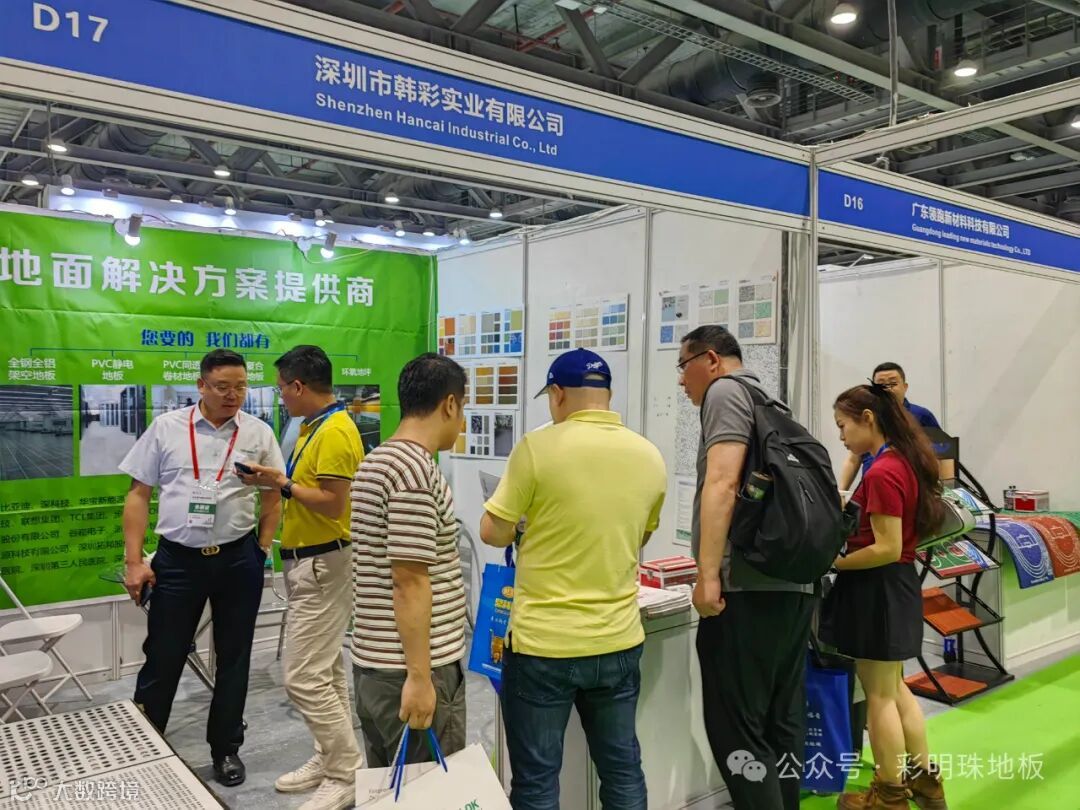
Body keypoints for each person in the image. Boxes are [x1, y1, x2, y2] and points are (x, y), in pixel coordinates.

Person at [480, 348, 667, 810]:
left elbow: (491, 531)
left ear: (558, 394)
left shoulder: (537, 448)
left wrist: (527, 523)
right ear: (607, 396)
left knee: (537, 780)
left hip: (544, 645)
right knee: (622, 769)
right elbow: (641, 533)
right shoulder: (649, 455)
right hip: (618, 640)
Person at [120, 349, 283, 787]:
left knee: (235, 657)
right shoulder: (166, 428)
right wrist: (134, 562)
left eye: (241, 387)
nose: (233, 395)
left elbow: (273, 495)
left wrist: (260, 549)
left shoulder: (258, 433)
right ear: (201, 385)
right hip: (178, 561)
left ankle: (225, 748)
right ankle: (145, 746)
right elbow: (138, 495)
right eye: (223, 387)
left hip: (237, 559)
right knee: (163, 655)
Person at [677, 326, 815, 810]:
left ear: (711, 360)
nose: (681, 381)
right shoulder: (772, 403)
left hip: (746, 589)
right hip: (792, 585)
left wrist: (708, 575)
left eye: (684, 366)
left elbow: (722, 482)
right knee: (782, 720)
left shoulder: (724, 393)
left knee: (737, 729)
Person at [240, 345, 363, 810]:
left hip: (324, 563)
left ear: (297, 385)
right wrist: (278, 479)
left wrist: (283, 484)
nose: (281, 398)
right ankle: (331, 757)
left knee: (303, 677)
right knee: (325, 670)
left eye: (281, 390)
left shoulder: (335, 432)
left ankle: (345, 772)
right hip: (309, 562)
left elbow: (333, 503)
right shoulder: (316, 426)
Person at [821, 384, 947, 810]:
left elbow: (886, 547)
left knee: (879, 695)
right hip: (895, 588)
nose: (841, 436)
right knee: (895, 689)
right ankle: (925, 783)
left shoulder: (882, 472)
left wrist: (834, 563)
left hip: (878, 590)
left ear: (868, 419)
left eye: (843, 426)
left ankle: (889, 794)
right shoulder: (903, 463)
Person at [349, 353, 468, 765]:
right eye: (462, 408)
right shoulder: (414, 472)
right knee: (429, 787)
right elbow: (409, 581)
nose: (461, 421)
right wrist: (419, 677)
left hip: (373, 665)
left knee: (390, 787)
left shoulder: (376, 461)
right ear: (449, 404)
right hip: (411, 668)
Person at [839, 363, 952, 490]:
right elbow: (853, 459)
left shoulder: (922, 416)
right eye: (881, 385)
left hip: (909, 489)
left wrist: (947, 490)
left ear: (905, 387)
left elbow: (944, 455)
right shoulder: (866, 417)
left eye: (893, 383)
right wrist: (841, 492)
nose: (887, 389)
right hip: (871, 486)